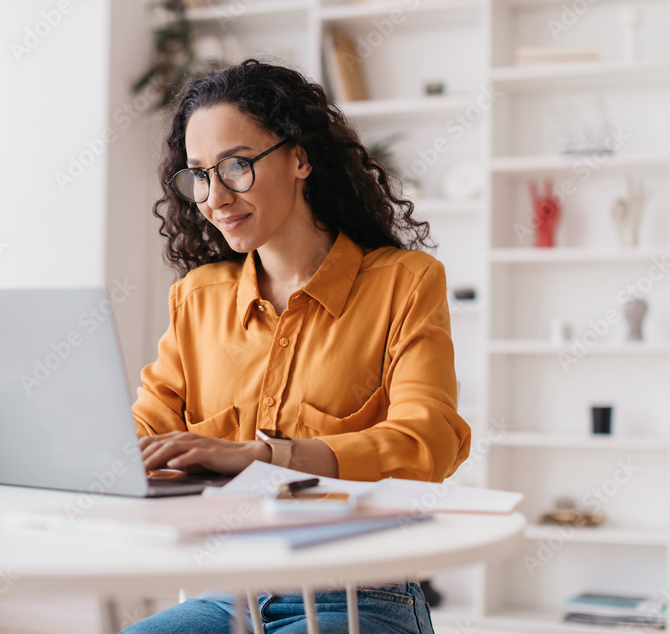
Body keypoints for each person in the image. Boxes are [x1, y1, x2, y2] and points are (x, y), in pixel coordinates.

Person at [122, 59, 470, 634]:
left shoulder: (404, 282)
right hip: (228, 594)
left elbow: (427, 441)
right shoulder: (198, 298)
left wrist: (268, 458)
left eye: (237, 165)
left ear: (300, 158)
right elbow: (144, 440)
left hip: (359, 595)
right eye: (200, 175)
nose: (214, 197)